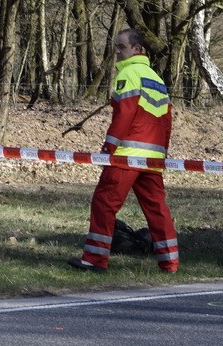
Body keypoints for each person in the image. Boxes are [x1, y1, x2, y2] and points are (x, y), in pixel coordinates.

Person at [68, 28, 179, 273]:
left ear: (137, 49)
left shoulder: (128, 74)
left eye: (121, 47)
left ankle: (95, 259)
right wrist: (162, 152)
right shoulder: (156, 79)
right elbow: (166, 120)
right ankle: (170, 262)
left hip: (127, 155)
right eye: (116, 47)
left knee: (104, 202)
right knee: (157, 209)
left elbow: (124, 114)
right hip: (152, 157)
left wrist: (109, 147)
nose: (117, 52)